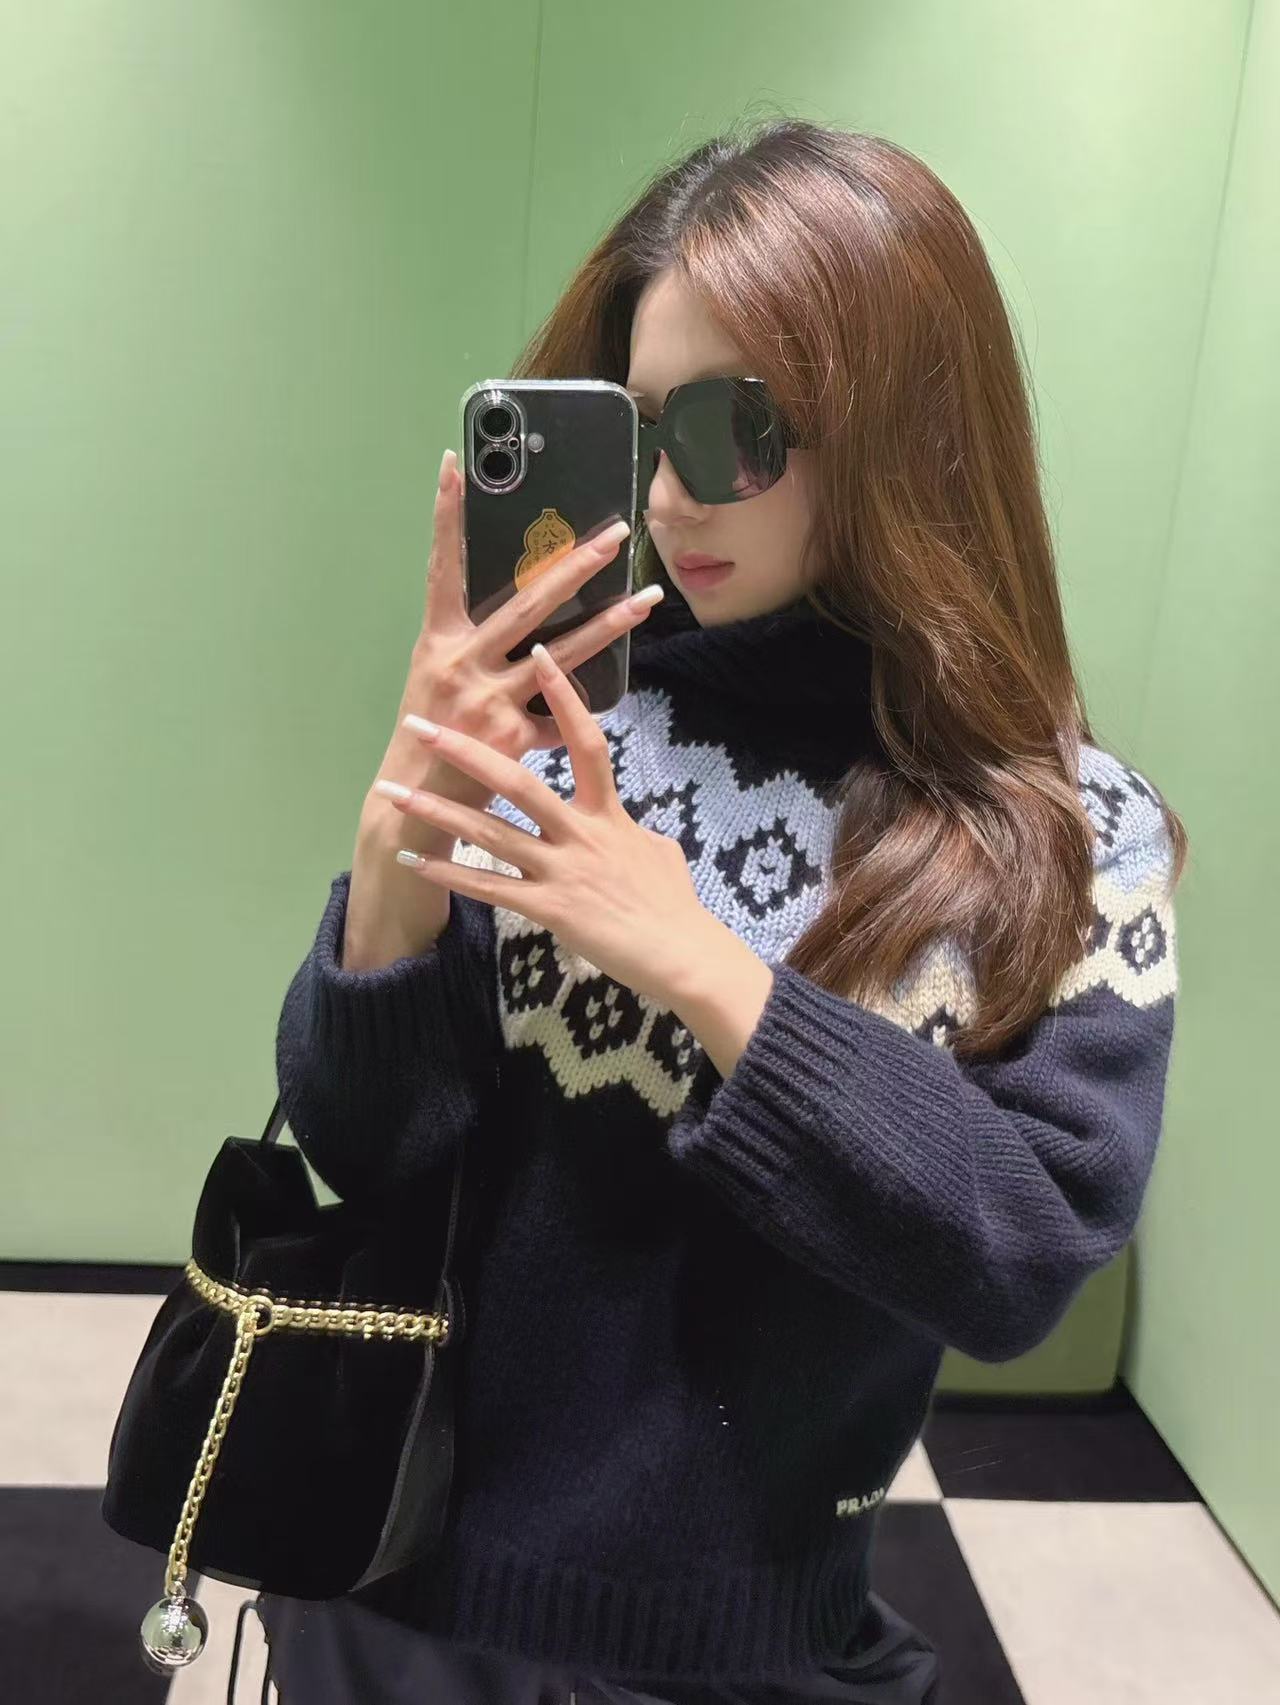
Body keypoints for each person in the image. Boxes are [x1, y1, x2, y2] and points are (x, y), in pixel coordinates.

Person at [255, 117, 1185, 1703]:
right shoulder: (568, 733)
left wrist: (701, 962)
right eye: (638, 427)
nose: (674, 493)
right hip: (403, 1601)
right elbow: (365, 1138)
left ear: (904, 429)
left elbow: (1024, 1251)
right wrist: (398, 837)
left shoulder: (1073, 835)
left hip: (753, 1655)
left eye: (733, 425)